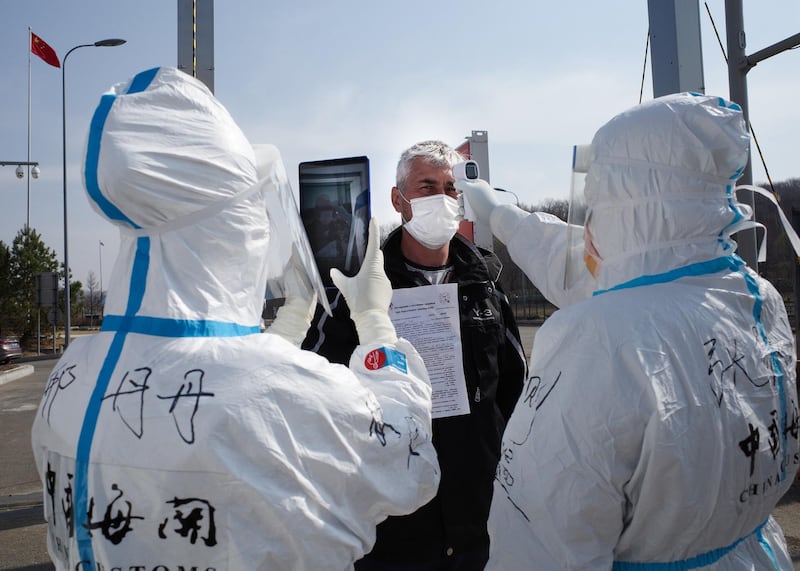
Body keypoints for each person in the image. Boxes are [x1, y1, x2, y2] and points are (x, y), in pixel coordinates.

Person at [31, 66, 440, 571]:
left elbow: (229, 403)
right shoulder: (282, 389)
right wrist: (376, 321)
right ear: (229, 224)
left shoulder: (71, 376)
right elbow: (408, 457)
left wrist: (285, 330)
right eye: (254, 208)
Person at [456, 92, 799, 569]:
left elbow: (541, 543)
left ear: (626, 205)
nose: (588, 222)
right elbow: (594, 269)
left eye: (597, 199)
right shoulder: (751, 296)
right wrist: (501, 215)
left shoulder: (596, 344)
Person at [303, 140, 527, 569]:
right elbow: (318, 385)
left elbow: (513, 391)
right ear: (398, 199)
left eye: (449, 188)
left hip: (479, 512)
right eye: (427, 187)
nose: (441, 198)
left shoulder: (485, 281)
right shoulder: (359, 285)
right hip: (393, 518)